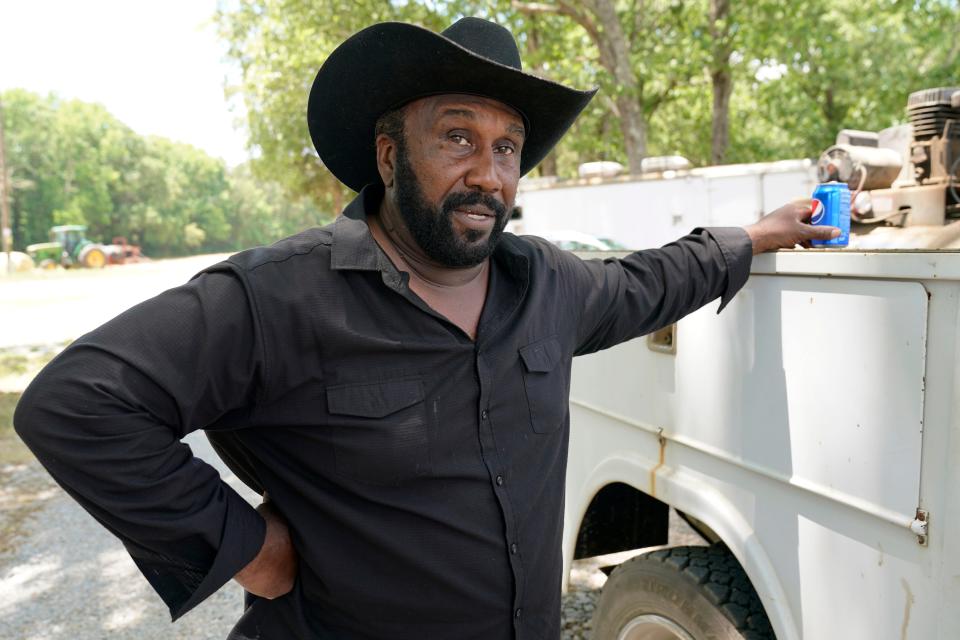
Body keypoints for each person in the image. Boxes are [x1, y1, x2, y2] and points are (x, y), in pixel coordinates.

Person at [13, 17, 838, 640]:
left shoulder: (545, 283)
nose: (488, 172)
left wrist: (754, 238)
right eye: (457, 136)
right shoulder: (279, 298)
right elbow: (77, 405)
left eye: (508, 147)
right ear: (387, 154)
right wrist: (243, 546)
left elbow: (649, 281)